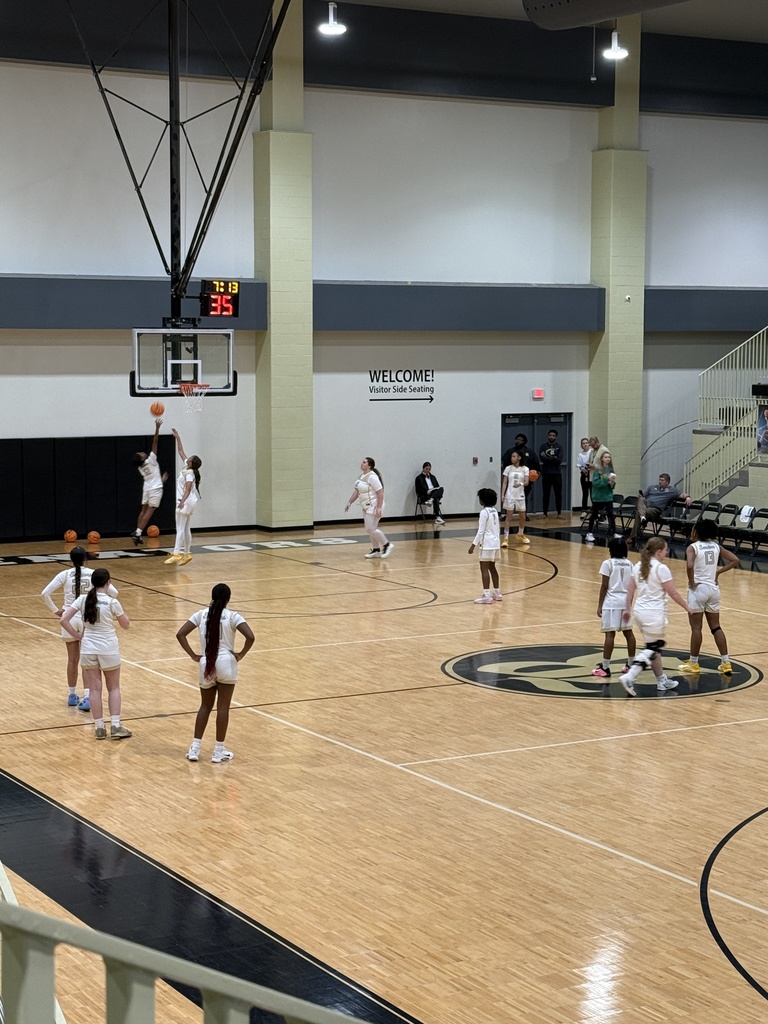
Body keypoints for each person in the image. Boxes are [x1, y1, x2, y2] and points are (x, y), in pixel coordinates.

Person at [176, 583, 255, 763]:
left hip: (206, 663)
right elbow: (251, 637)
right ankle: (218, 751)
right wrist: (241, 654)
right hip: (227, 662)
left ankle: (195, 748)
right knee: (223, 708)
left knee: (205, 706)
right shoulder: (233, 616)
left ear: (211, 596)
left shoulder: (201, 614)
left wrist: (193, 655)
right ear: (228, 598)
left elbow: (180, 634)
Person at [41, 547, 119, 712]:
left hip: (69, 618)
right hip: (85, 618)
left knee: (72, 660)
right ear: (85, 559)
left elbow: (45, 593)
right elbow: (114, 592)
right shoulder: (92, 573)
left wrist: (56, 610)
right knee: (87, 663)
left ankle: (71, 694)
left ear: (70, 559)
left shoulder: (64, 574)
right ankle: (86, 697)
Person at [60, 568, 132, 739]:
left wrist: (77, 635)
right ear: (108, 582)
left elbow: (63, 619)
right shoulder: (112, 601)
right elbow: (126, 624)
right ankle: (115, 725)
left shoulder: (83, 599)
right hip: (108, 648)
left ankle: (99, 728)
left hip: (88, 648)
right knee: (113, 687)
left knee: (94, 689)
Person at [618, 537, 693, 697]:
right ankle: (630, 676)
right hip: (654, 613)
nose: (667, 552)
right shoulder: (661, 568)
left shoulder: (638, 566)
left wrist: (627, 609)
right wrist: (687, 607)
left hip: (640, 612)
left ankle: (661, 680)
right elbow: (672, 592)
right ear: (658, 552)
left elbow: (630, 590)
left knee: (653, 647)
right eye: (665, 550)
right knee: (653, 648)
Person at [677, 518, 739, 676]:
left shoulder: (693, 547)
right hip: (713, 590)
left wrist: (691, 582)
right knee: (716, 627)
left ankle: (694, 663)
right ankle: (726, 663)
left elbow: (690, 565)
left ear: (697, 532)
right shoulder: (716, 547)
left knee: (696, 628)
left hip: (698, 590)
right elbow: (735, 560)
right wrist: (718, 572)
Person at [591, 536, 637, 682]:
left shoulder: (607, 563)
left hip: (611, 602)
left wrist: (599, 605)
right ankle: (630, 665)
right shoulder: (630, 564)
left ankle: (605, 667)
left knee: (609, 636)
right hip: (625, 602)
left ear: (611, 549)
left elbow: (604, 586)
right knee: (629, 634)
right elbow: (632, 587)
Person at [165, 428, 202, 566]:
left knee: (180, 528)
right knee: (186, 528)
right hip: (190, 501)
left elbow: (187, 489)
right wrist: (177, 437)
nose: (188, 457)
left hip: (185, 501)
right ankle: (186, 554)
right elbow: (181, 451)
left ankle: (176, 553)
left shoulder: (190, 474)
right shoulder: (188, 468)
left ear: (191, 463)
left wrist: (182, 502)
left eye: (190, 458)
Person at [345, 457, 394, 559]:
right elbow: (357, 491)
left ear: (369, 465)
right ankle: (376, 550)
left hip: (374, 505)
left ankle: (387, 544)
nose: (361, 463)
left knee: (369, 528)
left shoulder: (372, 477)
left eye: (364, 462)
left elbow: (380, 492)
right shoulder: (362, 476)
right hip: (366, 506)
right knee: (372, 529)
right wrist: (350, 502)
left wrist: (379, 508)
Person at [132, 418, 168, 545]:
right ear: (142, 458)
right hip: (155, 488)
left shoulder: (140, 467)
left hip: (147, 487)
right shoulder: (151, 460)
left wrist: (160, 480)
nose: (143, 452)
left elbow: (152, 477)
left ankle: (137, 531)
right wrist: (157, 428)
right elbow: (155, 442)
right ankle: (138, 532)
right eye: (141, 453)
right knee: (149, 511)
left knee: (143, 510)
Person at [631, 473, 692, 540]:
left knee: (638, 512)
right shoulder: (651, 487)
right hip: (645, 506)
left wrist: (688, 497)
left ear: (667, 482)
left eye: (662, 480)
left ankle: (633, 536)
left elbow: (682, 494)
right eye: (659, 480)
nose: (660, 481)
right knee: (641, 499)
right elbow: (643, 497)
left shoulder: (672, 490)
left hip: (655, 510)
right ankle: (642, 516)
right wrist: (640, 496)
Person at [469, 488, 502, 604]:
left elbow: (481, 531)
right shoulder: (494, 511)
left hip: (487, 544)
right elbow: (497, 529)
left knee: (484, 568)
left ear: (483, 500)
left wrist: (473, 545)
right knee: (492, 568)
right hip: (495, 543)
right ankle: (497, 593)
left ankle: (487, 595)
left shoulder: (484, 512)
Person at [585, 451, 620, 542]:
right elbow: (596, 483)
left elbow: (612, 485)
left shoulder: (610, 470)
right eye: (606, 457)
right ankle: (589, 533)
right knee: (594, 514)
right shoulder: (597, 470)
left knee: (610, 515)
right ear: (602, 459)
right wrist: (606, 480)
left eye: (609, 457)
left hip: (607, 496)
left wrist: (612, 483)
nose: (608, 459)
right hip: (598, 496)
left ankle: (614, 532)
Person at [502, 434, 539, 514]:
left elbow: (536, 464)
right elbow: (504, 462)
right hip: (513, 479)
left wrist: (536, 474)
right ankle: (507, 514)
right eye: (517, 439)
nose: (518, 441)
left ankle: (524, 515)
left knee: (524, 497)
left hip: (525, 479)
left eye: (520, 440)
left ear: (525, 442)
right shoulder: (510, 451)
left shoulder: (530, 452)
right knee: (509, 497)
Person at [501, 451, 529, 546]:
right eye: (512, 456)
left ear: (519, 458)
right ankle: (505, 538)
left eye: (514, 456)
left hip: (520, 495)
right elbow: (504, 482)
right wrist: (502, 494)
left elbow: (526, 482)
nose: (512, 458)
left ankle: (520, 533)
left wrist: (520, 484)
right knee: (508, 517)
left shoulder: (525, 469)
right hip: (510, 495)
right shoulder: (508, 468)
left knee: (523, 517)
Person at [539, 428, 563, 516]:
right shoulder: (543, 446)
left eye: (553, 436)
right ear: (548, 436)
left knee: (558, 494)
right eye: (550, 435)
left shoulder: (559, 447)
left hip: (557, 474)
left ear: (556, 437)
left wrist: (548, 458)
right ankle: (545, 512)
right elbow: (542, 458)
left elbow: (559, 460)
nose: (551, 437)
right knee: (546, 494)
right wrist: (553, 458)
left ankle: (559, 512)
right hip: (546, 473)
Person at [576, 436, 592, 515]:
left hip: (591, 474)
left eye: (586, 443)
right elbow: (579, 465)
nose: (585, 445)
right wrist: (582, 469)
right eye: (583, 443)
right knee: (585, 493)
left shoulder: (592, 452)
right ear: (581, 445)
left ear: (589, 444)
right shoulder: (580, 454)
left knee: (593, 494)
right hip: (584, 474)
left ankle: (596, 511)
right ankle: (584, 511)